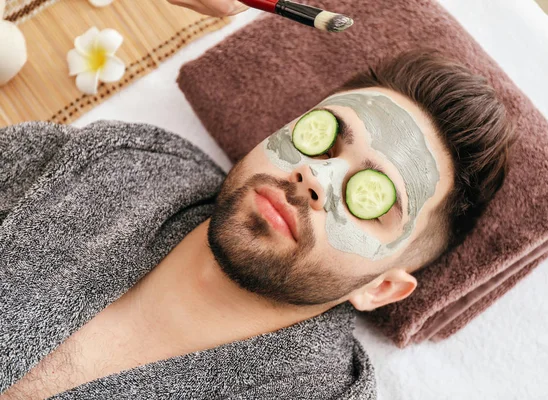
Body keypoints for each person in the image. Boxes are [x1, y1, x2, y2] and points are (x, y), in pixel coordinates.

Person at [0, 50, 513, 399]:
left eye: (372, 201)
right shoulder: (118, 161)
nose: (314, 174)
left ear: (381, 288)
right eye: (324, 138)